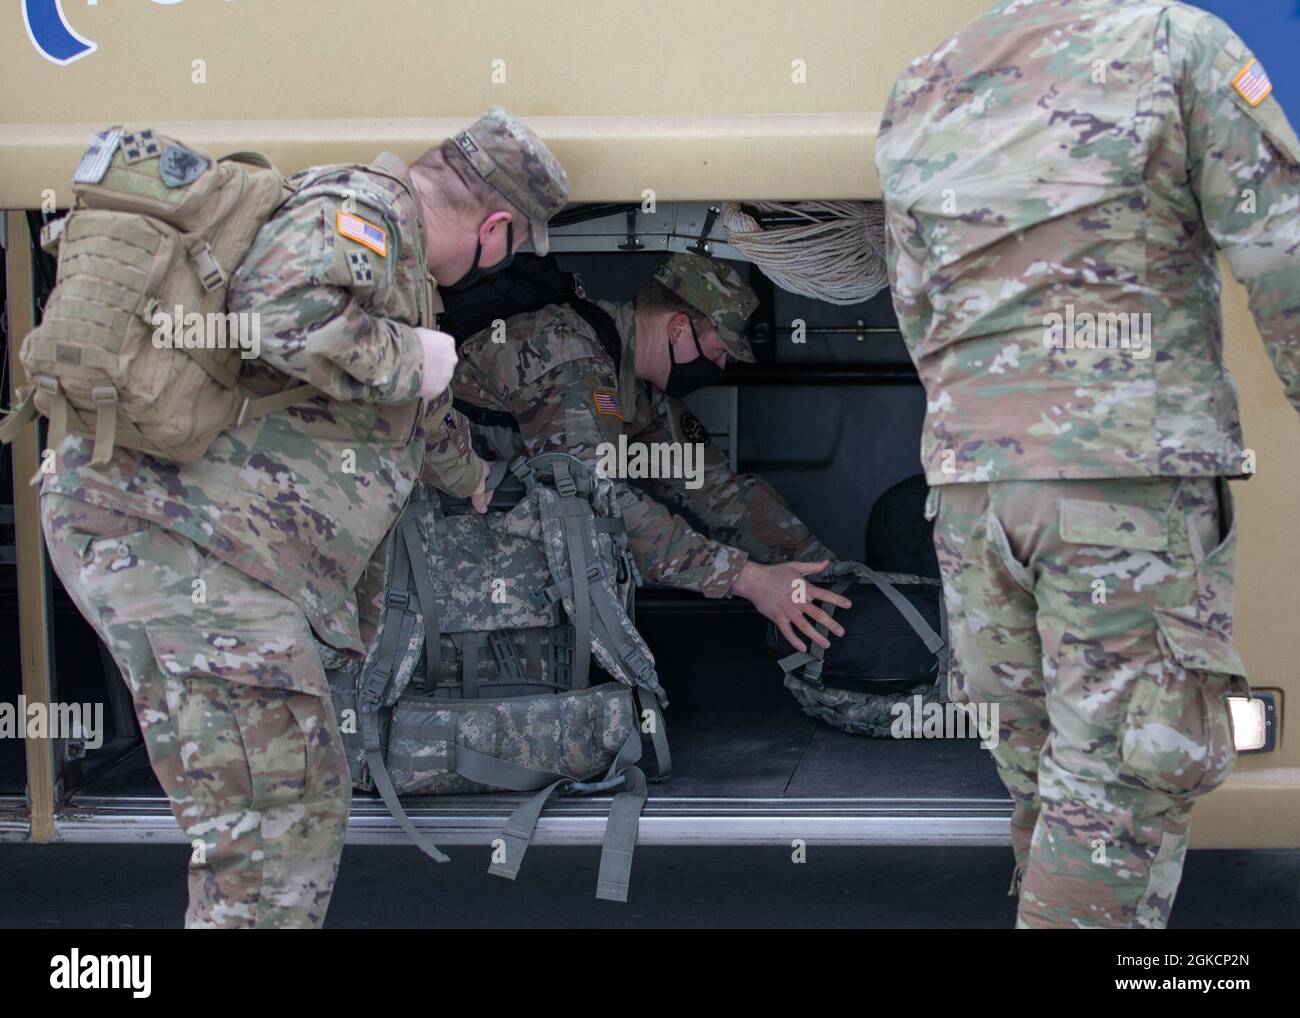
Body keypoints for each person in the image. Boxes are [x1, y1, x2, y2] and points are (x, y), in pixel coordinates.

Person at [38, 107, 569, 927]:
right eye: (508, 247)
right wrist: (412, 358)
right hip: (184, 544)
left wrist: (472, 477)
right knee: (273, 824)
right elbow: (280, 314)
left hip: (192, 548)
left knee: (287, 806)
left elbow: (411, 416)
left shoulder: (394, 265)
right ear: (496, 226)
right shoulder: (367, 209)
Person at [875, 0, 1300, 927]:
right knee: (1109, 802)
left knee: (1048, 789)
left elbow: (918, 305)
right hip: (1121, 489)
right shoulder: (1176, 44)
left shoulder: (924, 80)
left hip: (972, 501)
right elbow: (1283, 255)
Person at [453, 251, 848, 653]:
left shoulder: (630, 382)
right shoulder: (568, 357)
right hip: (457, 546)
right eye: (717, 351)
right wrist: (749, 579)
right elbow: (593, 501)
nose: (721, 365)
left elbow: (719, 491)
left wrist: (826, 569)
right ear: (679, 329)